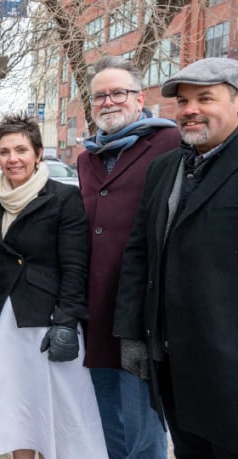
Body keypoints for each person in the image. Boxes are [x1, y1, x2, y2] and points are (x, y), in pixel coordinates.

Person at [115, 57, 238, 458]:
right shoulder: (165, 168)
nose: (190, 110)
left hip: (227, 364)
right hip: (171, 361)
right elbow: (139, 253)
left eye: (205, 98)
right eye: (183, 102)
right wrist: (133, 333)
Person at [0, 113, 106, 459]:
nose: (12, 158)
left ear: (37, 152)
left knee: (51, 407)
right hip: (4, 317)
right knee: (15, 406)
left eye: (20, 150)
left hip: (46, 319)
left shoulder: (63, 197)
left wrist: (66, 320)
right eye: (4, 151)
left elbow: (75, 265)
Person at [78, 56, 179, 459]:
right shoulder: (87, 159)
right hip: (96, 308)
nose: (108, 102)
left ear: (139, 98)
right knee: (107, 419)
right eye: (100, 96)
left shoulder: (170, 144)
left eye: (118, 92)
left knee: (143, 423)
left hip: (142, 308)